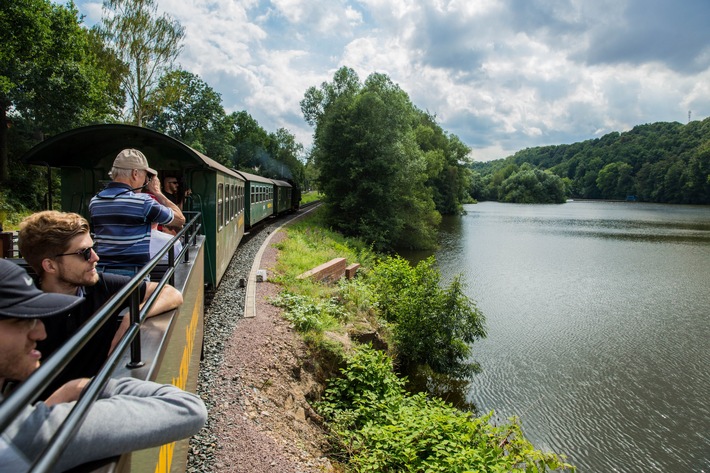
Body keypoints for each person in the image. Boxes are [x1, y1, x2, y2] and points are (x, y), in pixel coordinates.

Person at [0, 259, 207, 473]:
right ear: (48, 265)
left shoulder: (100, 284)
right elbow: (188, 408)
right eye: (21, 321)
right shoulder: (30, 433)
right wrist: (85, 387)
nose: (40, 333)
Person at [18, 211, 183, 397]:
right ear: (50, 266)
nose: (95, 257)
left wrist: (135, 314)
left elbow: (170, 293)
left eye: (93, 248)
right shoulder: (21, 310)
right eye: (84, 253)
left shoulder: (101, 285)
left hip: (93, 402)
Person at [89, 148, 186, 276]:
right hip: (132, 277)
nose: (146, 181)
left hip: (101, 275)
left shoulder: (95, 201)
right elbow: (180, 219)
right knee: (172, 294)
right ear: (135, 173)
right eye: (145, 176)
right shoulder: (143, 202)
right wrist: (157, 192)